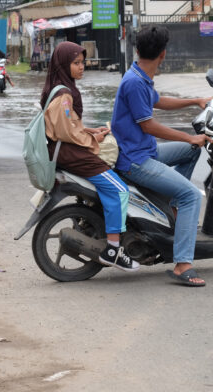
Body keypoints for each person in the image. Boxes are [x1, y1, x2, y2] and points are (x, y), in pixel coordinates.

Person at [111, 25, 212, 287]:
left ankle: (171, 208)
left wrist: (195, 100)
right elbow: (149, 125)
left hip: (146, 151)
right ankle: (183, 265)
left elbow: (157, 101)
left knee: (191, 150)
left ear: (137, 50)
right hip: (135, 161)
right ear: (164, 54)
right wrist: (189, 135)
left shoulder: (138, 76)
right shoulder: (134, 82)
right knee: (191, 195)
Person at [42, 42, 138, 272]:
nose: (81, 67)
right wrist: (94, 141)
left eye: (82, 62)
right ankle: (113, 250)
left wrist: (92, 131)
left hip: (67, 150)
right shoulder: (64, 94)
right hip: (71, 153)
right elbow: (66, 132)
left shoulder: (60, 87)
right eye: (76, 63)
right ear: (64, 64)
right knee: (119, 189)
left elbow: (69, 125)